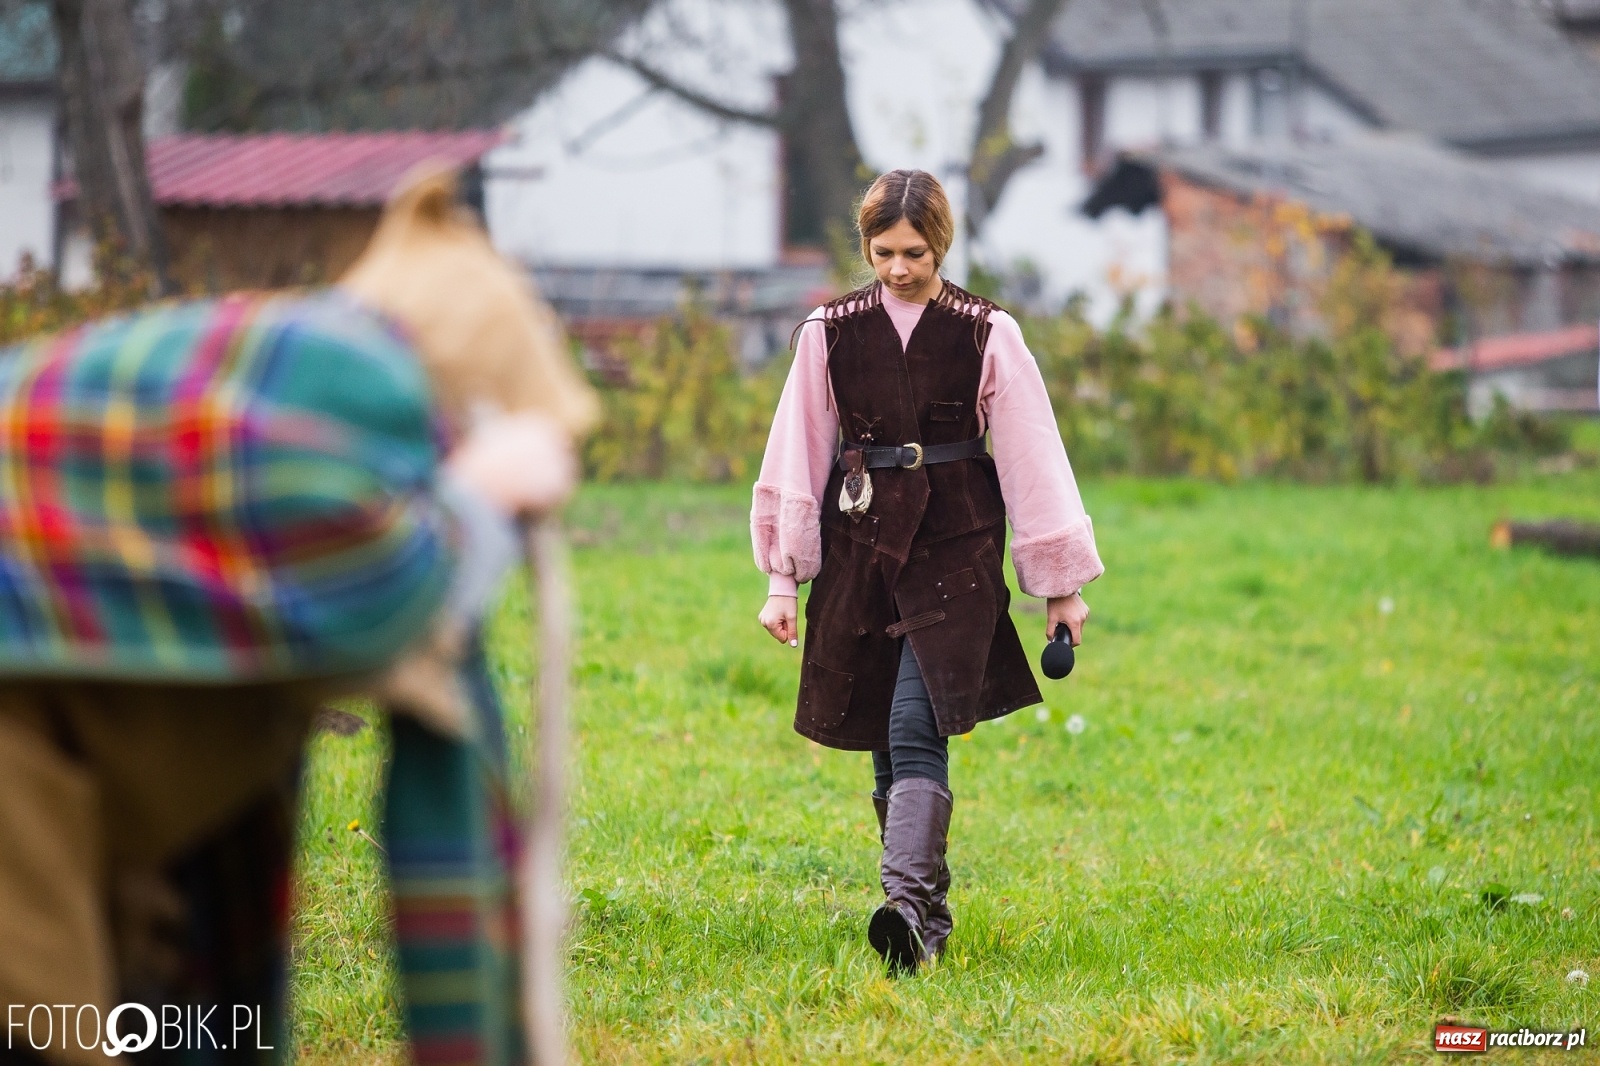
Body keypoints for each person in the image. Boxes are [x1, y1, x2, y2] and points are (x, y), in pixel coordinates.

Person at [0, 168, 594, 1065]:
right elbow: (379, 590)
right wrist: (476, 500)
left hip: (100, 815)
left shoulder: (227, 383)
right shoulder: (320, 399)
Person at [751, 169, 1104, 975]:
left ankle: (904, 905)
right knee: (881, 727)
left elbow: (1031, 456)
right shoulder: (829, 331)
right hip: (861, 540)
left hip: (958, 543)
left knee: (914, 723)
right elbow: (795, 453)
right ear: (866, 246)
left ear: (939, 243)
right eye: (883, 252)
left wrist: (1060, 582)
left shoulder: (988, 332)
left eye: (913, 252)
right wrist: (782, 578)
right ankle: (927, 924)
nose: (898, 268)